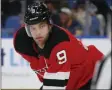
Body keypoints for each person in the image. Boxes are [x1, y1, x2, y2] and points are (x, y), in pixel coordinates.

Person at [13, 2, 104, 90]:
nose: (38, 33)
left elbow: (55, 86)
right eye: (33, 28)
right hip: (72, 79)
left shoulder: (59, 43)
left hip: (93, 74)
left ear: (49, 25)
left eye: (42, 26)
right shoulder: (22, 43)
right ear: (28, 30)